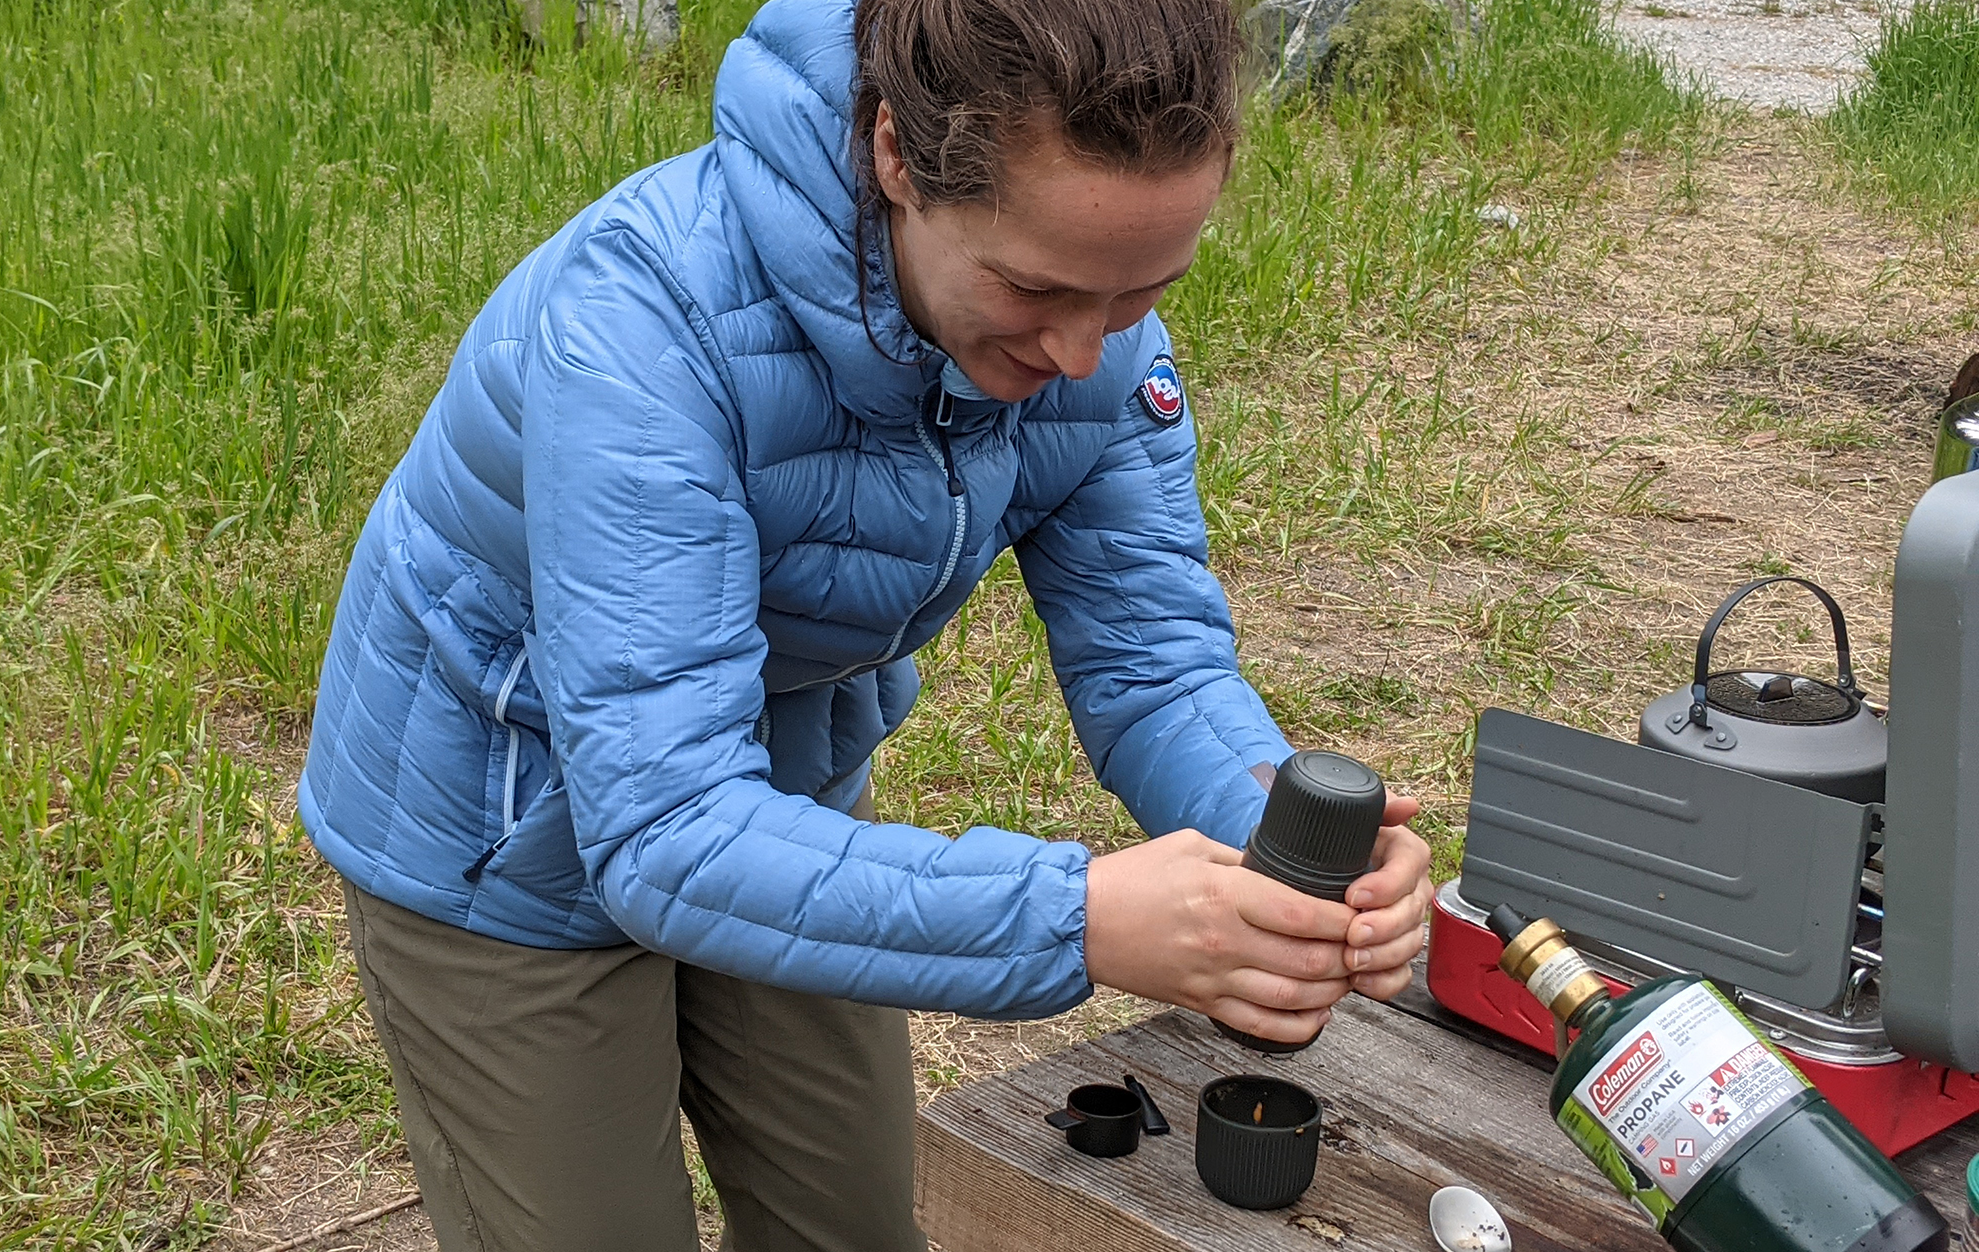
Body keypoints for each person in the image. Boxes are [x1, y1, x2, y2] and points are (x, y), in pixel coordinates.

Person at [298, 0, 1435, 1247]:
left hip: (769, 790)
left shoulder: (1093, 335)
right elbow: (666, 831)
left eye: (1138, 293)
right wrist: (1083, 915)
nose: (1075, 351)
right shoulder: (642, 325)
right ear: (894, 153)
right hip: (505, 819)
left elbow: (1153, 663)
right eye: (1031, 287)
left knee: (852, 1226)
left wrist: (1276, 839)